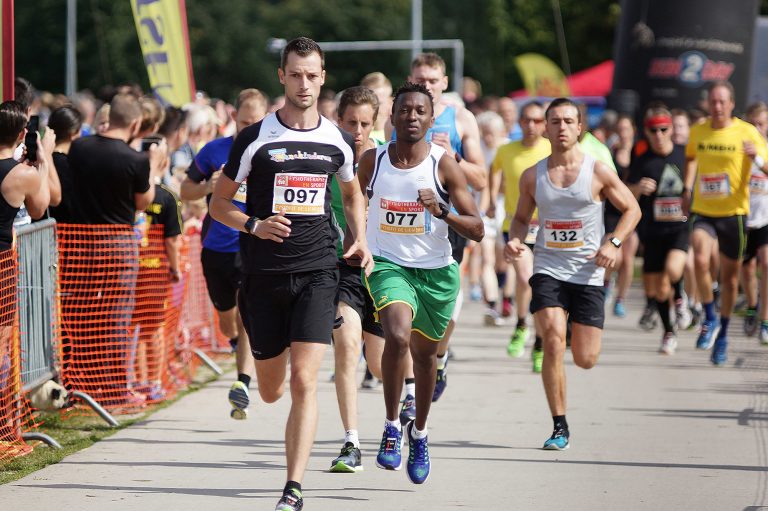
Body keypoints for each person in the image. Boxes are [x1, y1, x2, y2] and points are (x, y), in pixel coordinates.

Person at [209, 37, 372, 511]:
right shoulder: (254, 137)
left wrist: (358, 236)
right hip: (263, 277)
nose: (304, 83)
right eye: (296, 74)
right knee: (271, 388)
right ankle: (264, 379)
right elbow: (218, 203)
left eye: (313, 75)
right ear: (282, 76)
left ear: (323, 78)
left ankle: (293, 488)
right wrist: (254, 224)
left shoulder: (336, 139)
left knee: (304, 381)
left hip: (320, 271)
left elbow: (352, 193)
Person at [359, 81, 483, 484]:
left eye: (419, 111)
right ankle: (393, 426)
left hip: (436, 272)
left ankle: (421, 432)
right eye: (404, 110)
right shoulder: (372, 161)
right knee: (396, 336)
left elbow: (478, 228)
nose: (411, 117)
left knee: (426, 357)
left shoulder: (444, 163)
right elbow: (351, 208)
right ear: (391, 116)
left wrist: (442, 210)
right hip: (388, 265)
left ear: (432, 119)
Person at [505, 98, 640, 450]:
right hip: (548, 268)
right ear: (546, 128)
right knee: (551, 339)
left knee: (585, 358)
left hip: (589, 274)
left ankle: (569, 335)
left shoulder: (596, 171)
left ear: (579, 127)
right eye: (555, 121)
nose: (562, 127)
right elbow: (521, 218)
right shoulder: (532, 176)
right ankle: (559, 426)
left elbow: (632, 209)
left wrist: (613, 242)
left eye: (569, 121)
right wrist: (516, 240)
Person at [390, 52, 486, 405]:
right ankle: (414, 385)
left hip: (448, 218)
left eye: (432, 80)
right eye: (420, 79)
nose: (426, 86)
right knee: (405, 301)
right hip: (406, 218)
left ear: (444, 83)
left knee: (443, 295)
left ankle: (438, 355)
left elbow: (482, 176)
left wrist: (452, 159)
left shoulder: (461, 118)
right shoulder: (401, 116)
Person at [180, 88, 268, 420]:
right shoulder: (214, 151)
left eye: (255, 123)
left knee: (247, 316)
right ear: (233, 118)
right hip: (215, 248)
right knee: (226, 318)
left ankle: (242, 382)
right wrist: (208, 187)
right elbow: (185, 189)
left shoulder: (269, 154)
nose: (248, 129)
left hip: (251, 246)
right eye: (244, 121)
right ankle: (233, 346)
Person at [683, 81, 768, 365]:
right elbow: (691, 158)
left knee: (731, 280)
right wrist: (686, 187)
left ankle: (723, 334)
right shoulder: (698, 131)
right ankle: (709, 315)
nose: (717, 107)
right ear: (708, 103)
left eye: (722, 102)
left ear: (731, 104)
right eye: (713, 102)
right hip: (703, 210)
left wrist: (756, 158)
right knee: (699, 257)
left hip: (734, 213)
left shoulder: (747, 132)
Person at [327, 86, 386, 473]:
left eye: (366, 123)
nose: (358, 130)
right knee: (347, 346)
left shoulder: (389, 158)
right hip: (342, 266)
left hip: (385, 270)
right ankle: (351, 442)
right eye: (351, 122)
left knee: (382, 364)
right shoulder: (327, 156)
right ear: (339, 119)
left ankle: (404, 421)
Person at [489, 101, 550, 371]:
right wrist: (491, 200)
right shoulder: (507, 150)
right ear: (520, 122)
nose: (531, 125)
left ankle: (536, 340)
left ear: (544, 125)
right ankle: (523, 325)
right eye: (527, 120)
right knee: (527, 278)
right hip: (516, 225)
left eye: (538, 121)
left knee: (542, 285)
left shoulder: (551, 150)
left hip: (549, 228)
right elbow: (494, 173)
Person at [627, 106, 689, 354]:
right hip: (652, 231)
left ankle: (682, 300)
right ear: (646, 131)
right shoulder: (642, 159)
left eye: (664, 129)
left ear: (671, 129)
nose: (659, 134)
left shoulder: (685, 156)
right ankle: (668, 331)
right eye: (653, 130)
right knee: (655, 289)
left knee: (673, 269)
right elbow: (623, 192)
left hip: (679, 228)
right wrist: (637, 188)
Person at [739, 102, 768, 342]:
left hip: (766, 216)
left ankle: (765, 320)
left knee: (766, 264)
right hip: (744, 215)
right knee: (746, 267)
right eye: (753, 124)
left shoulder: (764, 150)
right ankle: (751, 306)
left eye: (762, 124)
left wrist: (756, 158)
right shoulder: (739, 148)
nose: (757, 129)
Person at [46, 105, 83, 223]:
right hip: (67, 230)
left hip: (45, 228)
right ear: (73, 133)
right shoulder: (70, 163)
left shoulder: (42, 159)